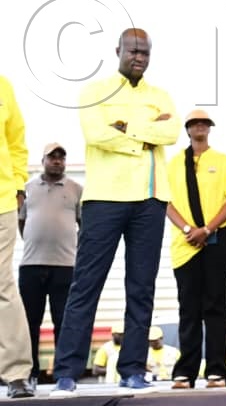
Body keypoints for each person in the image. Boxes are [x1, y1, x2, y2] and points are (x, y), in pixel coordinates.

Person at [52, 28, 179, 397]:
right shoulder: (94, 92)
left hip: (151, 201)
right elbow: (96, 134)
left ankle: (133, 370)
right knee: (86, 285)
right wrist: (145, 134)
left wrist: (126, 129)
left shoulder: (161, 96)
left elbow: (170, 133)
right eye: (132, 50)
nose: (138, 57)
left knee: (141, 288)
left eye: (145, 52)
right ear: (118, 51)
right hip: (105, 199)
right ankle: (66, 372)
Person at [164, 110, 226, 389]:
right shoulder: (173, 164)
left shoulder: (223, 161)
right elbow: (166, 203)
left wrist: (207, 229)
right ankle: (185, 371)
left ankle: (217, 370)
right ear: (187, 130)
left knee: (216, 305)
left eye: (204, 124)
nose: (200, 128)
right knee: (189, 308)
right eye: (195, 124)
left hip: (217, 239)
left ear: (209, 129)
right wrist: (188, 230)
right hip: (185, 244)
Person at [19, 143, 81, 389]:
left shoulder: (76, 189)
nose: (57, 161)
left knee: (63, 322)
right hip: (31, 266)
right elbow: (21, 223)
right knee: (29, 324)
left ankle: (63, 375)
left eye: (61, 157)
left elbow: (83, 223)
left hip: (65, 266)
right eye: (52, 157)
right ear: (43, 160)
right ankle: (30, 374)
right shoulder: (28, 189)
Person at [0, 74, 34, 399]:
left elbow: (16, 142)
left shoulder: (3, 86)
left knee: (2, 286)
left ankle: (16, 374)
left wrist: (19, 185)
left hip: (1, 201)